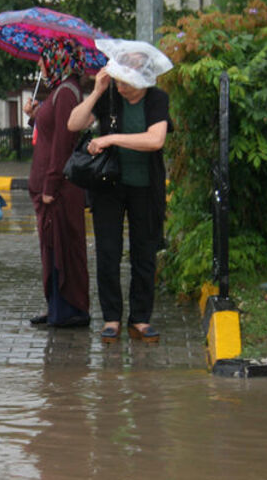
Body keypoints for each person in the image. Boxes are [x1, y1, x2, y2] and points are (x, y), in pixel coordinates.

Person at [67, 39, 173, 344]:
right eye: (118, 81)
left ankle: (140, 318)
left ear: (143, 80)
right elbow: (73, 123)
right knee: (108, 252)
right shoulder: (109, 94)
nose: (122, 87)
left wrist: (111, 138)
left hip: (145, 186)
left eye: (128, 83)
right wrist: (98, 90)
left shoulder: (157, 100)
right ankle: (111, 318)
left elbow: (155, 140)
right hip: (109, 186)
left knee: (144, 253)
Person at [22, 38, 91, 328]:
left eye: (43, 59)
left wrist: (50, 186)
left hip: (59, 190)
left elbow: (63, 144)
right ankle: (56, 308)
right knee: (51, 248)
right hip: (50, 187)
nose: (40, 65)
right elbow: (50, 130)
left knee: (63, 247)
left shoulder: (66, 92)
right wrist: (34, 115)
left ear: (57, 59)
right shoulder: (59, 91)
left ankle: (70, 310)